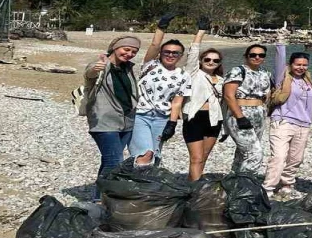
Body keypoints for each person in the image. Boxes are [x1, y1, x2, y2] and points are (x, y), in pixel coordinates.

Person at [130, 15, 197, 168]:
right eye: (167, 52)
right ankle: (138, 186)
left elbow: (177, 102)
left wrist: (172, 124)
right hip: (141, 115)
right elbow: (154, 44)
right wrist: (161, 27)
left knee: (156, 152)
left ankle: (149, 185)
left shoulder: (183, 75)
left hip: (162, 118)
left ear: (180, 56)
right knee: (144, 153)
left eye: (175, 53)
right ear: (161, 53)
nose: (170, 55)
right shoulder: (150, 65)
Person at [83, 35, 141, 199]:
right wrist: (95, 68)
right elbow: (89, 74)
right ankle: (102, 199)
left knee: (109, 160)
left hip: (126, 121)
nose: (129, 54)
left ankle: (99, 196)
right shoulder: (102, 64)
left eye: (134, 51)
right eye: (126, 49)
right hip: (104, 121)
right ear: (115, 48)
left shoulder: (127, 68)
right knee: (114, 161)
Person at [168, 28, 224, 181]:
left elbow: (224, 103)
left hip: (214, 119)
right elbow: (193, 53)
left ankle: (192, 182)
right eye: (207, 59)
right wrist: (200, 33)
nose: (211, 62)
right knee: (196, 158)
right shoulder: (193, 73)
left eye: (215, 60)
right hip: (195, 118)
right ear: (201, 61)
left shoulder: (221, 80)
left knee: (203, 157)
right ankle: (196, 191)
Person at [264, 41, 312, 198]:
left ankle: (287, 184)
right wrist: (280, 43)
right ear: (290, 64)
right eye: (298, 64)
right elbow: (279, 62)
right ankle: (268, 187)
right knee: (279, 156)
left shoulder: (308, 81)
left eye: (304, 65)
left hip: (304, 124)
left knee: (295, 158)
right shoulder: (283, 78)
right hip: (283, 122)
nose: (301, 67)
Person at [223, 43, 275, 177]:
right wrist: (239, 117)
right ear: (246, 56)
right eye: (253, 55)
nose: (257, 57)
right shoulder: (238, 71)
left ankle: (234, 179)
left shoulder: (265, 73)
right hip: (240, 113)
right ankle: (245, 184)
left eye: (261, 55)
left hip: (259, 114)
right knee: (254, 153)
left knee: (243, 152)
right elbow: (229, 95)